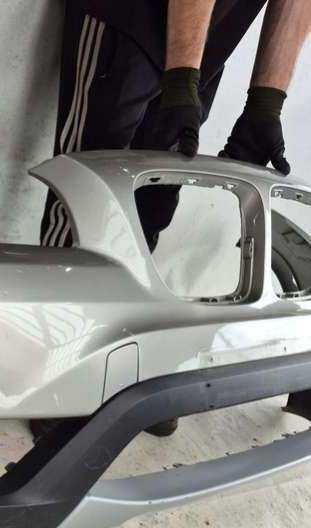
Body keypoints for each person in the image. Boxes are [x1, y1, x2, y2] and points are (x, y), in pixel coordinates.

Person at [34, 0, 311, 440]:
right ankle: (53, 362)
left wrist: (265, 103)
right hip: (129, 22)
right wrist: (180, 79)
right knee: (89, 194)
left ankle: (109, 356)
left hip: (206, 43)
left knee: (154, 202)